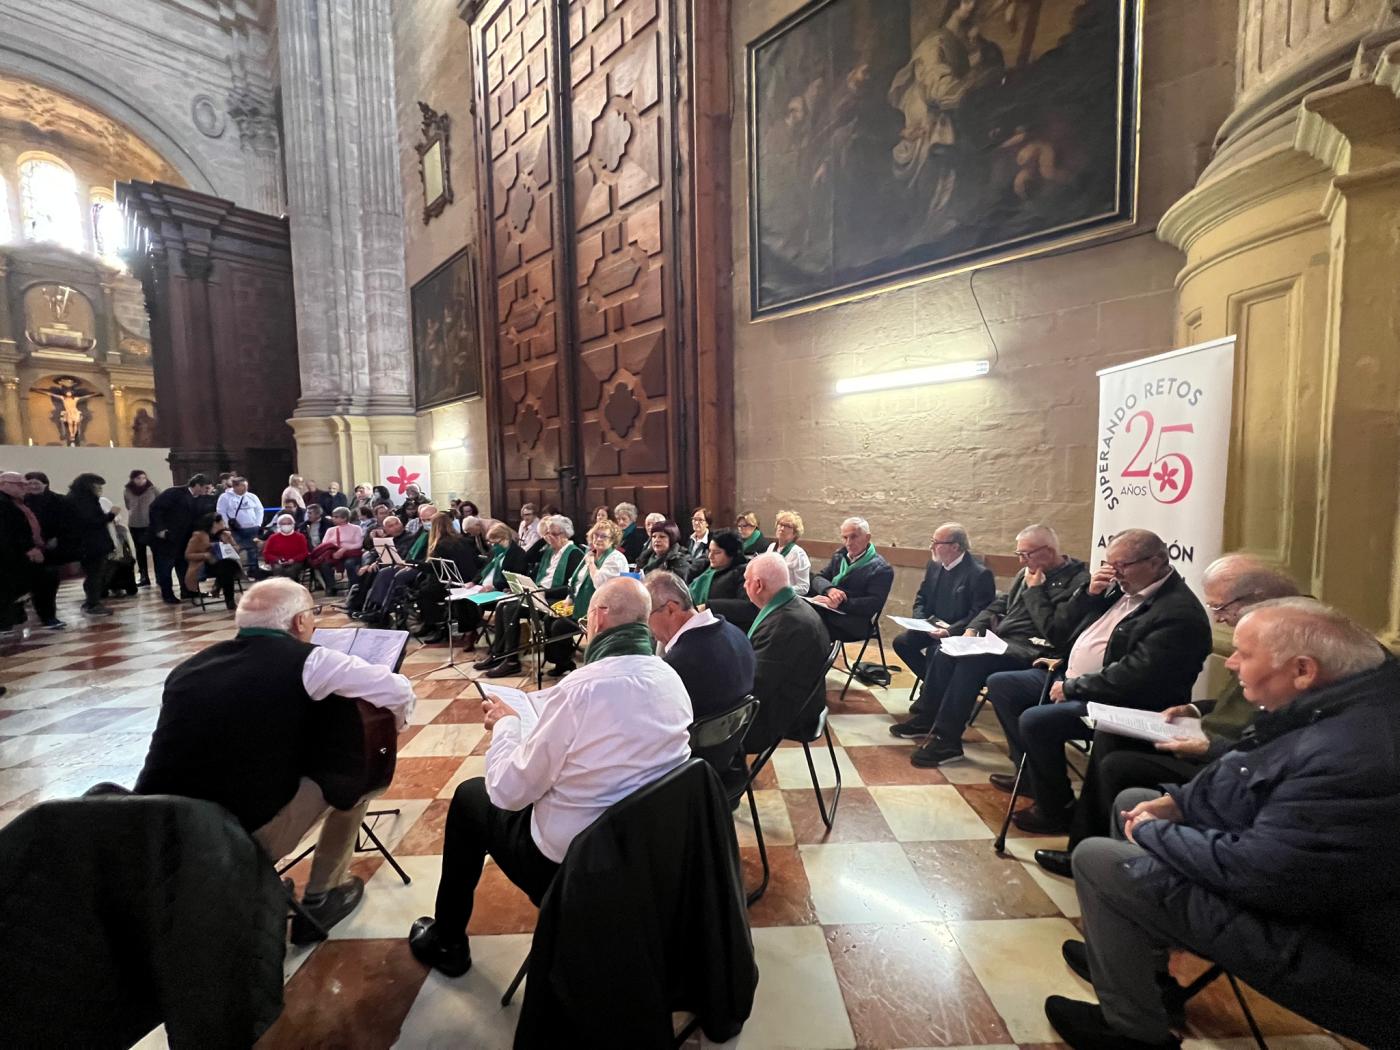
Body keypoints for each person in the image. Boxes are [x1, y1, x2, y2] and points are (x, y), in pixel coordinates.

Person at [1048, 599, 1398, 1050]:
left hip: (1333, 945)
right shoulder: (1335, 701)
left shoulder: (1353, 752)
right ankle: (1150, 975)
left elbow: (1265, 876)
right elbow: (1243, 767)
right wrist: (1176, 804)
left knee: (1100, 859)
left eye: (1244, 654)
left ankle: (1132, 1032)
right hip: (1285, 874)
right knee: (1136, 801)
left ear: (1303, 670)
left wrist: (1156, 833)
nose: (1230, 663)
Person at [407, 577, 692, 977]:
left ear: (598, 616)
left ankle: (448, 941)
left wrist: (507, 724)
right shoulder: (669, 677)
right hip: (645, 848)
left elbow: (509, 792)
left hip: (572, 862)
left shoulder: (582, 688)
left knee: (471, 798)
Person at [135, 578, 416, 943]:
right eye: (312, 616)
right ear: (300, 622)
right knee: (355, 775)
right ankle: (322, 896)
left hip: (155, 827)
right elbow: (397, 691)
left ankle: (252, 876)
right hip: (234, 835)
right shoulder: (310, 660)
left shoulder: (190, 667)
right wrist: (394, 728)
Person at [1032, 554, 1300, 877]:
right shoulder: (1121, 593)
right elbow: (1238, 703)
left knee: (1114, 762)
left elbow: (1277, 743)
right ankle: (1084, 844)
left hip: (1218, 754)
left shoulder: (1281, 639)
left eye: (1221, 608)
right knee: (1105, 735)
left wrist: (1210, 747)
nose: (1218, 619)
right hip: (1199, 733)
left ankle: (1107, 861)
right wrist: (1197, 708)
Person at [985, 528, 1212, 832]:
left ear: (1156, 562)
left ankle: (1056, 810)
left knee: (1037, 720)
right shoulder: (1119, 589)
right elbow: (1061, 632)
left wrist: (1071, 687)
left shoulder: (1176, 612)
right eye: (1109, 565)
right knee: (1003, 684)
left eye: (1122, 566)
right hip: (1071, 676)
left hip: (1116, 700)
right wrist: (1089, 594)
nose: (1115, 573)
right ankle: (1032, 778)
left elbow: (1133, 676)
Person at [893, 524, 1087, 768]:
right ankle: (927, 718)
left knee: (972, 661)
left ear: (1048, 551)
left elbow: (1057, 632)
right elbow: (999, 604)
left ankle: (947, 740)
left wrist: (1036, 591)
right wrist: (973, 628)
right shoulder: (1028, 571)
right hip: (1004, 642)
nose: (1020, 562)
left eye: (1025, 555)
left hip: (1037, 651)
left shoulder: (1078, 583)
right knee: (946, 650)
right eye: (1019, 554)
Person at [742, 551, 831, 755]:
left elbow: (755, 687)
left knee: (706, 731)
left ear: (758, 585)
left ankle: (723, 779)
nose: (744, 586)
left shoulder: (784, 625)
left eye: (746, 581)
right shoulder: (793, 606)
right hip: (804, 699)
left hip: (789, 715)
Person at [476, 514, 587, 677]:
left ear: (565, 534)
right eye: (547, 533)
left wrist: (543, 592)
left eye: (554, 534)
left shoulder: (574, 553)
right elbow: (528, 558)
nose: (549, 537)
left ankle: (512, 662)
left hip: (557, 599)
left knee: (510, 609)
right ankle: (498, 654)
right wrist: (544, 539)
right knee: (502, 605)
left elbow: (568, 588)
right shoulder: (549, 551)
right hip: (540, 593)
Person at [890, 522, 996, 686]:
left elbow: (979, 613)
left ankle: (932, 692)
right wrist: (920, 621)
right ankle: (935, 686)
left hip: (957, 631)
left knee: (936, 651)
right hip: (931, 626)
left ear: (955, 547)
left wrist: (949, 631)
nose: (931, 547)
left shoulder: (979, 574)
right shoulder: (934, 564)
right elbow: (922, 597)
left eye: (936, 542)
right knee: (902, 643)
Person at [645, 569, 755, 720]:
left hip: (697, 741)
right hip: (736, 738)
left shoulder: (677, 665)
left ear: (671, 609)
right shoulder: (738, 634)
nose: (647, 628)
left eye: (647, 617)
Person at [542, 519, 627, 677]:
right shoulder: (590, 555)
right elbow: (575, 583)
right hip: (581, 604)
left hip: (602, 610)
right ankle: (562, 662)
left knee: (559, 626)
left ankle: (567, 661)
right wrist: (569, 599)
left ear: (613, 540)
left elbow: (600, 583)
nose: (598, 539)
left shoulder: (615, 559)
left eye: (604, 537)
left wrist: (591, 564)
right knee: (549, 619)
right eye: (596, 535)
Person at [807, 516, 895, 643]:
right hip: (829, 611)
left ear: (867, 537)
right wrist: (830, 589)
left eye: (853, 537)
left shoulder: (881, 569)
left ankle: (815, 661)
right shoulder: (840, 556)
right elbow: (817, 578)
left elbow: (873, 604)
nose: (848, 543)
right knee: (798, 617)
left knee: (810, 626)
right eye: (845, 537)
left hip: (854, 621)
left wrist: (839, 603)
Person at [444, 521, 529, 646]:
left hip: (499, 591)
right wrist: (473, 582)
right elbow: (483, 569)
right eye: (490, 542)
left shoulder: (518, 554)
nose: (492, 545)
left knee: (469, 603)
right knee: (460, 600)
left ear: (505, 538)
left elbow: (515, 577)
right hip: (482, 587)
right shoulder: (495, 551)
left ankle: (485, 637)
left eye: (495, 542)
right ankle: (470, 632)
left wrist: (494, 587)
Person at [0, 471, 61, 631]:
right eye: (20, 484)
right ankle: (45, 617)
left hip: (21, 552)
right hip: (14, 555)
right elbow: (9, 532)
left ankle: (13, 618)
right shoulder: (5, 504)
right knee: (42, 580)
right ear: (4, 485)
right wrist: (29, 548)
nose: (24, 487)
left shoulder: (18, 502)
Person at [149, 474, 212, 603]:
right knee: (166, 567)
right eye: (205, 488)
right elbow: (155, 509)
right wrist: (160, 529)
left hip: (185, 538)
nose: (207, 492)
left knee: (184, 566)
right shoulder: (174, 493)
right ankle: (168, 595)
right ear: (197, 485)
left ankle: (188, 591)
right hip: (167, 538)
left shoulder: (201, 498)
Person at [67, 473, 116, 617]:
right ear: (89, 485)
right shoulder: (82, 500)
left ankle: (92, 602)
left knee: (95, 573)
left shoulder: (77, 497)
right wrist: (110, 515)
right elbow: (91, 521)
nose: (100, 488)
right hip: (91, 543)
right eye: (98, 485)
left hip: (89, 543)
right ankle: (93, 603)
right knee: (95, 574)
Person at [185, 513, 243, 610]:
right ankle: (228, 598)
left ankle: (222, 591)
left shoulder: (225, 535)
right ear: (213, 523)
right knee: (228, 568)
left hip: (224, 565)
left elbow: (237, 547)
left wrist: (230, 548)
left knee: (227, 567)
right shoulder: (199, 536)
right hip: (205, 565)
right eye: (221, 521)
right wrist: (205, 555)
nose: (223, 523)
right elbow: (188, 555)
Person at [307, 507, 364, 595]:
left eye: (336, 517)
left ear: (344, 518)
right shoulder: (331, 530)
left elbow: (358, 544)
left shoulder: (356, 528)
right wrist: (335, 551)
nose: (333, 518)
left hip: (350, 554)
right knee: (325, 565)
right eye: (333, 516)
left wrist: (343, 549)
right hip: (333, 554)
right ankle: (331, 587)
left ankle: (353, 587)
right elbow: (325, 544)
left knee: (349, 563)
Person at [688, 528, 748, 608]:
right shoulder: (703, 566)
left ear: (731, 553)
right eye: (709, 551)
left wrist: (710, 606)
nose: (710, 556)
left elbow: (746, 605)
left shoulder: (742, 573)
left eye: (717, 552)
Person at [216, 476, 265, 574]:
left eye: (246, 486)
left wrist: (258, 523)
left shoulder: (252, 496)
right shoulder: (225, 497)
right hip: (235, 529)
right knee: (235, 549)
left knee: (252, 550)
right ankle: (235, 570)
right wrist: (227, 525)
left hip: (252, 527)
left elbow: (259, 509)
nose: (245, 488)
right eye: (242, 486)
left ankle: (253, 570)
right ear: (235, 487)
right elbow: (221, 511)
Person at [122, 469, 158, 586]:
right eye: (138, 478)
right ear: (133, 479)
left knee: (156, 551)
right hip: (135, 525)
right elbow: (128, 505)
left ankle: (160, 576)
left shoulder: (152, 489)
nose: (141, 480)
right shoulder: (127, 491)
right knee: (140, 551)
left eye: (144, 478)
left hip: (150, 524)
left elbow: (161, 502)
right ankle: (144, 577)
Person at [765, 509, 811, 595]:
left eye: (788, 526)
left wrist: (780, 591)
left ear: (795, 533)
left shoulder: (798, 553)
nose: (782, 528)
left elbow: (804, 587)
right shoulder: (771, 547)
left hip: (786, 599)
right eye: (780, 524)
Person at [259, 513, 311, 577]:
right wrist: (277, 559)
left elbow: (304, 552)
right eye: (283, 524)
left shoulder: (300, 537)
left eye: (289, 523)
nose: (286, 525)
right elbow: (266, 553)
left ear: (293, 525)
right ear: (279, 525)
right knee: (278, 569)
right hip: (277, 562)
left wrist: (293, 559)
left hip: (295, 562)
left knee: (290, 571)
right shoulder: (273, 537)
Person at [685, 506, 712, 575]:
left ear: (707, 523)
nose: (696, 523)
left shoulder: (712, 539)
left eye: (700, 520)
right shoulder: (687, 539)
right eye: (694, 519)